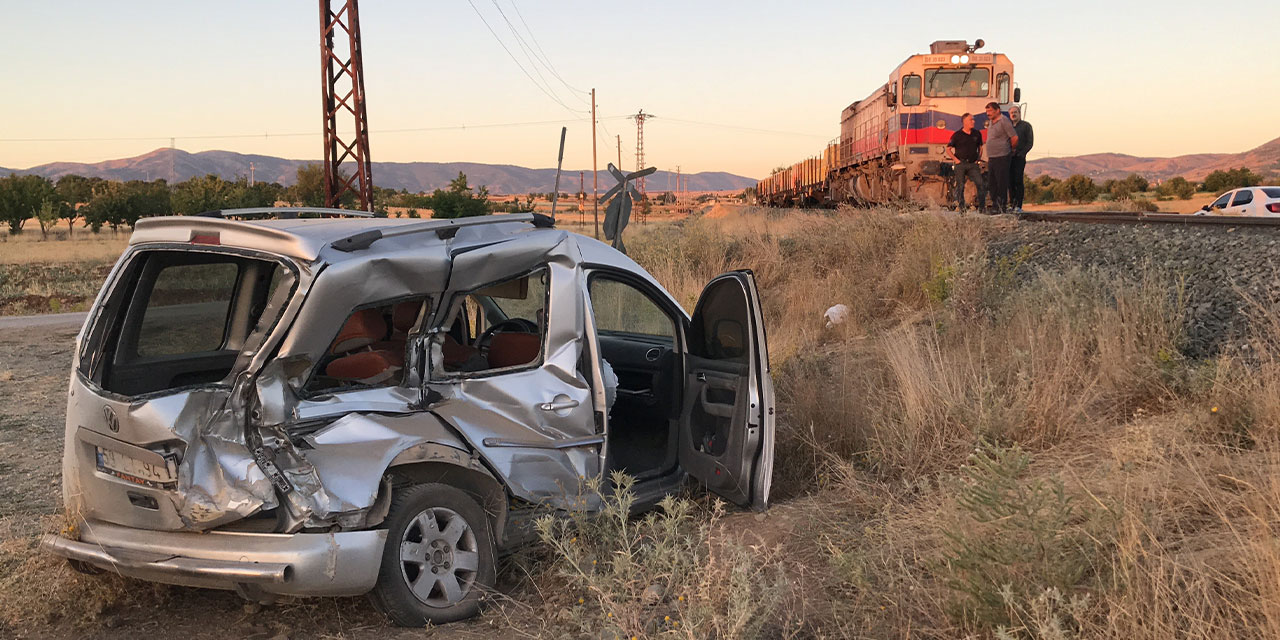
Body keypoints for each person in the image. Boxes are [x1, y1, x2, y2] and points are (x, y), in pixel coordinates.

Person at [945, 113, 986, 214]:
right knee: (960, 186)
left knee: (980, 184)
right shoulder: (957, 135)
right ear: (964, 122)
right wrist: (956, 160)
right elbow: (948, 149)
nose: (973, 122)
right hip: (961, 164)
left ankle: (982, 208)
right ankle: (962, 209)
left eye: (973, 120)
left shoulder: (977, 134)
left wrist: (978, 159)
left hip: (973, 164)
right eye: (971, 120)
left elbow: (980, 147)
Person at [983, 102, 1018, 214]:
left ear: (997, 110)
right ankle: (995, 205)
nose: (988, 114)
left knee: (1001, 182)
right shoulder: (991, 122)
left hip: (1002, 156)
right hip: (992, 157)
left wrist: (1010, 149)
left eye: (990, 111)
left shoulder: (1004, 121)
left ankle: (1002, 205)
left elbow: (1014, 137)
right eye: (987, 112)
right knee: (992, 183)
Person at [1009, 105, 1034, 212]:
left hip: (1019, 158)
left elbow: (1030, 142)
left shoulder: (1026, 126)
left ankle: (1019, 205)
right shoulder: (1008, 127)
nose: (1013, 114)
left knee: (1018, 180)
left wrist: (1022, 153)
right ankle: (1012, 204)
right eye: (1011, 113)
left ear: (1019, 113)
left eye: (1015, 112)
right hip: (1009, 158)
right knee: (1010, 181)